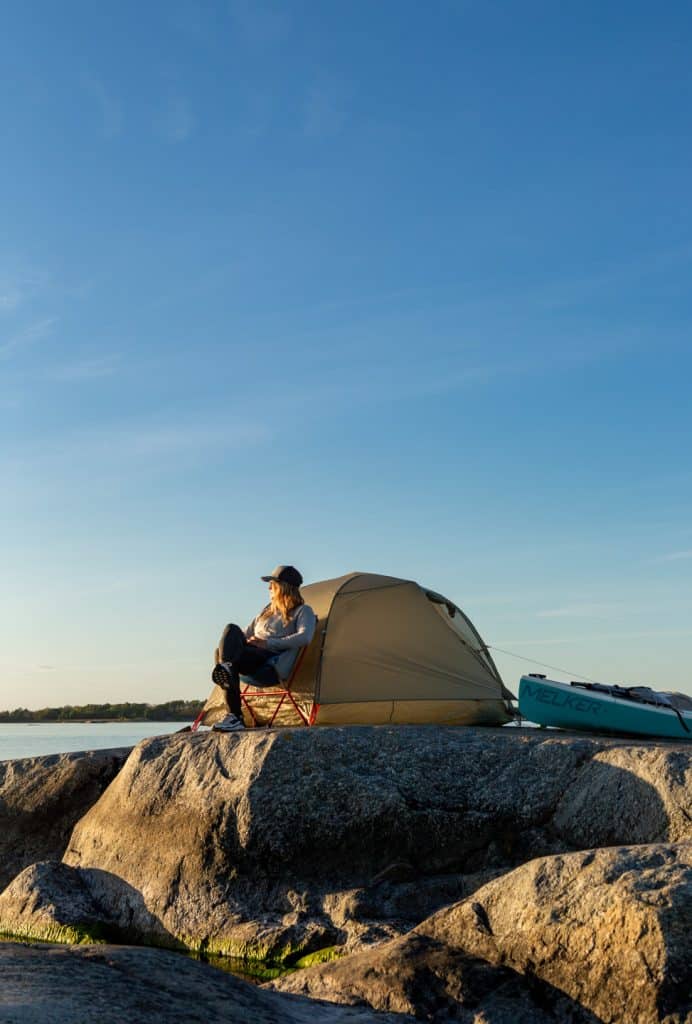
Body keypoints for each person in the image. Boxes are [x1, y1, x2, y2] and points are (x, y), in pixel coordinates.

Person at [211, 565, 316, 732]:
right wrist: (249, 641)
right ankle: (234, 713)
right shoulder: (267, 611)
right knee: (230, 632)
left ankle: (234, 714)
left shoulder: (303, 611)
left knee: (226, 662)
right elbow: (243, 634)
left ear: (283, 587)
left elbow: (305, 637)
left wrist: (268, 643)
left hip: (270, 662)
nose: (268, 588)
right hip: (252, 657)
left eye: (272, 584)